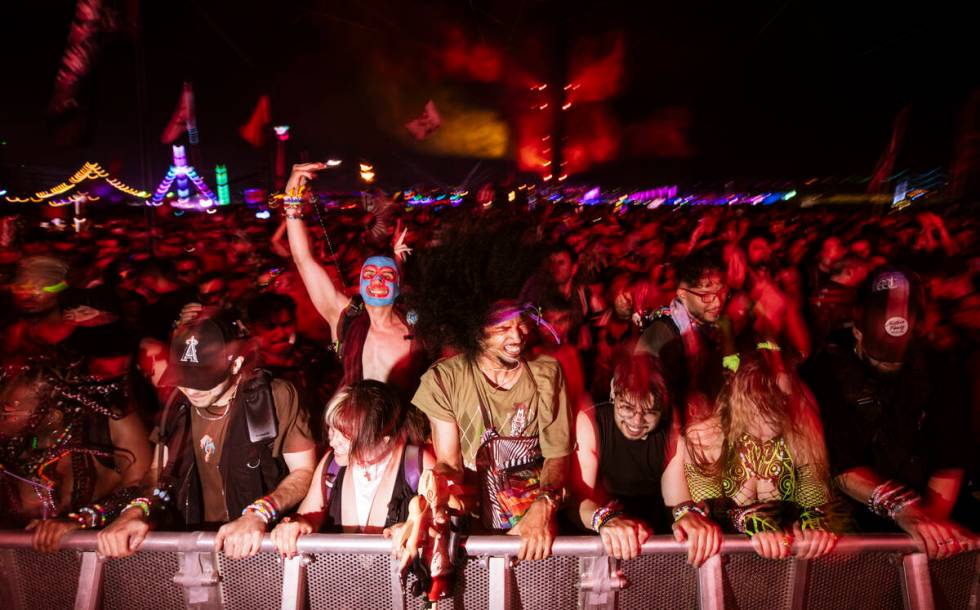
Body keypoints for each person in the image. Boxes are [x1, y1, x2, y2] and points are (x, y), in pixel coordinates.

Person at [406, 218, 572, 561]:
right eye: (502, 328)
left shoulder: (547, 372)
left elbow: (558, 454)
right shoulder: (444, 379)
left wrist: (544, 505)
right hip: (473, 530)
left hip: (535, 532)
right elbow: (450, 461)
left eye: (520, 322)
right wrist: (431, 492)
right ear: (476, 330)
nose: (518, 335)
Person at [96, 316, 317, 559]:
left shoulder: (274, 397)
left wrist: (258, 514)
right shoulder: (178, 404)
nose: (190, 389)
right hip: (198, 545)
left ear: (235, 365)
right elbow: (158, 472)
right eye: (183, 378)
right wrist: (136, 511)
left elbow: (304, 472)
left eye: (201, 381)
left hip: (263, 547)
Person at [803, 268, 976, 559]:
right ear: (856, 330)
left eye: (896, 363)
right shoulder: (824, 371)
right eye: (878, 361)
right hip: (859, 515)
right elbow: (839, 462)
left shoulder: (941, 366)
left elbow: (951, 452)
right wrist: (905, 511)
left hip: (928, 502)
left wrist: (929, 525)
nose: (888, 369)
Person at [279, 163, 422, 399]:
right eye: (369, 274)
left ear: (398, 285)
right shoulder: (343, 317)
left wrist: (398, 259)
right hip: (351, 431)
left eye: (385, 276)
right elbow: (303, 259)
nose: (376, 279)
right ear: (360, 282)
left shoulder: (416, 328)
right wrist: (292, 198)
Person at [682, 351, 838, 560]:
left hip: (784, 561)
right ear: (739, 403)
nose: (769, 421)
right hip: (724, 561)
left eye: (778, 406)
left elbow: (816, 500)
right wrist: (747, 521)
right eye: (758, 412)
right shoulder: (707, 436)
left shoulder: (800, 431)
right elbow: (703, 514)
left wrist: (815, 526)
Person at [570, 352, 721, 564]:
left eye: (650, 411)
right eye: (627, 408)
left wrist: (689, 517)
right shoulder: (592, 418)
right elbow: (579, 500)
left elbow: (676, 501)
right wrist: (606, 519)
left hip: (650, 535)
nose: (637, 421)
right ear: (614, 391)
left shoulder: (670, 427)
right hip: (601, 537)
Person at [271, 380, 434, 556]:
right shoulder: (331, 464)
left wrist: (413, 528)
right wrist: (296, 525)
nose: (333, 441)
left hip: (400, 581)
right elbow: (309, 515)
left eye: (345, 436)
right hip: (344, 580)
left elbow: (439, 526)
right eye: (332, 430)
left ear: (382, 438)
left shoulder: (417, 465)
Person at [635, 247, 737, 408]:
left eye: (722, 292)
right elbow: (641, 398)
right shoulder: (663, 334)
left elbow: (731, 374)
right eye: (706, 296)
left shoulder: (714, 326)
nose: (718, 302)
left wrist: (728, 343)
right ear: (682, 294)